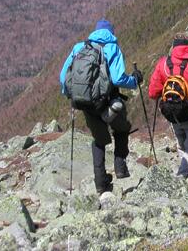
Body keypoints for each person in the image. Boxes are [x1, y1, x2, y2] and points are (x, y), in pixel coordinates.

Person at [59, 19, 143, 194]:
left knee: (99, 140)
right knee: (121, 130)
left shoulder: (79, 48)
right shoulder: (112, 48)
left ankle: (100, 182)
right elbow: (118, 78)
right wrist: (134, 81)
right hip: (109, 101)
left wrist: (70, 94)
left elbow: (63, 77)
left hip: (86, 103)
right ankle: (120, 169)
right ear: (111, 33)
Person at [148, 34, 188, 178]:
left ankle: (184, 170)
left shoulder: (163, 64)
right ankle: (184, 176)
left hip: (171, 113)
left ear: (173, 47)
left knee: (181, 141)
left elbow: (153, 92)